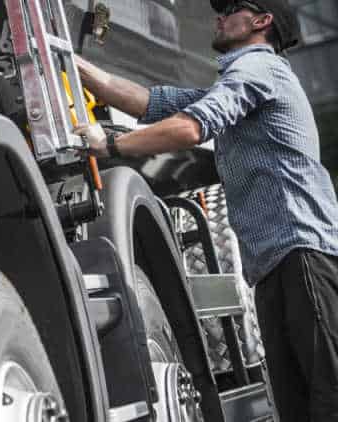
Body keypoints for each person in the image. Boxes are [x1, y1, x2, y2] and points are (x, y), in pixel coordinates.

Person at [72, 0, 338, 420]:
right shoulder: (244, 81)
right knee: (300, 407)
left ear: (261, 22)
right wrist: (78, 68)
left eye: (231, 8)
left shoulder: (258, 68)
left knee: (327, 398)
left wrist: (110, 144)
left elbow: (192, 127)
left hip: (302, 257)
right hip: (277, 267)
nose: (219, 16)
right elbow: (150, 103)